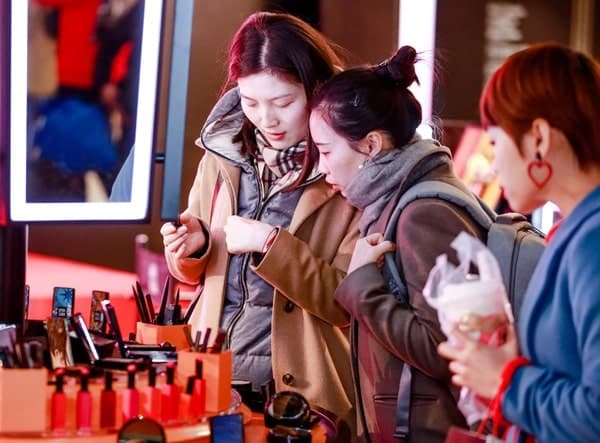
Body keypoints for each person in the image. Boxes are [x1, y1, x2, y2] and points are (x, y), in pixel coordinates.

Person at [159, 12, 360, 440]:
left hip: (296, 390)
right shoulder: (223, 149)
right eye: (250, 103)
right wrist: (191, 248)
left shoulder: (348, 163)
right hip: (213, 374)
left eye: (283, 102)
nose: (266, 119)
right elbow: (191, 274)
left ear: (317, 89)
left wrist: (271, 244)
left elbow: (346, 302)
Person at [308, 46, 484, 442]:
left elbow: (444, 349)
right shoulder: (399, 199)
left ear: (370, 146)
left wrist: (362, 284)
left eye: (325, 150)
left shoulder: (424, 213)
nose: (322, 167)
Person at [437, 43, 600, 442]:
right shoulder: (576, 229)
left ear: (539, 138)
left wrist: (505, 382)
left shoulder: (592, 239)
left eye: (495, 141)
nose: (493, 163)